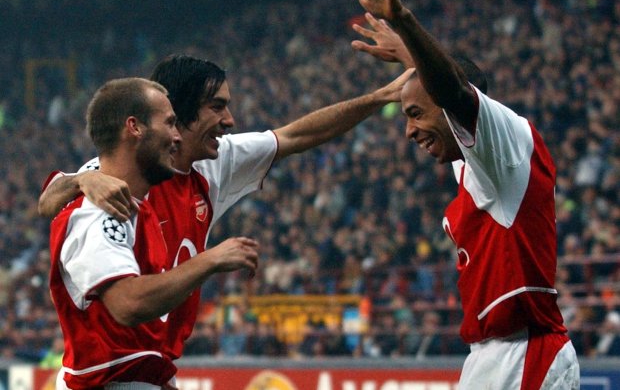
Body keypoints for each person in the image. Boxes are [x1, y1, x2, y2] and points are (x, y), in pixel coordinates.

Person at [39, 55, 411, 361]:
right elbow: (51, 202)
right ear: (179, 115)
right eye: (216, 107)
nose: (229, 121)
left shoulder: (213, 164)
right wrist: (81, 181)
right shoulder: (116, 180)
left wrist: (381, 97)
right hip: (110, 371)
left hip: (151, 366)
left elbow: (298, 134)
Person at [345, 0, 580, 388]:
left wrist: (403, 20)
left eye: (415, 114)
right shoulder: (472, 162)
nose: (409, 131)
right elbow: (442, 87)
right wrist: (407, 53)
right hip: (489, 356)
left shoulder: (507, 147)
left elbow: (451, 89)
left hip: (527, 356)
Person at [48, 77, 258, 389]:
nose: (177, 137)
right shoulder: (99, 212)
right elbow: (128, 304)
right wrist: (209, 261)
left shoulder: (139, 209)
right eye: (170, 123)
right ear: (134, 127)